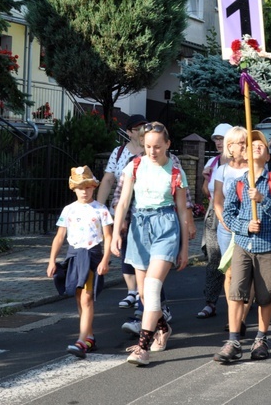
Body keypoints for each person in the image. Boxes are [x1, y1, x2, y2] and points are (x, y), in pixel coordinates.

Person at [111, 122, 189, 366]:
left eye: (157, 146)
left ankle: (142, 348)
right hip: (139, 226)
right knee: (144, 293)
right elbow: (123, 203)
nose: (152, 151)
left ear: (167, 144)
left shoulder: (176, 172)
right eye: (147, 146)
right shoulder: (134, 166)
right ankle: (162, 327)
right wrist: (115, 233)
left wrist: (185, 248)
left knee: (153, 288)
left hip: (166, 225)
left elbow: (183, 212)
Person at [214, 130, 271, 363]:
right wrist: (246, 226)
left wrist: (263, 200)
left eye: (262, 146)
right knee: (236, 293)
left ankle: (261, 338)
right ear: (245, 154)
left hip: (268, 246)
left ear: (268, 156)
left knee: (265, 295)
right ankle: (234, 340)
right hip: (243, 245)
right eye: (252, 145)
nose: (256, 147)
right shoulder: (238, 183)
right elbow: (228, 214)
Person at [47, 166, 113, 358]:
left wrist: (106, 259)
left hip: (91, 255)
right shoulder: (69, 210)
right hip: (74, 255)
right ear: (73, 189)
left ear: (94, 187)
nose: (84, 191)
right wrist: (52, 260)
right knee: (78, 297)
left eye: (88, 187)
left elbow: (108, 236)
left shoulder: (101, 209)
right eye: (80, 187)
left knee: (87, 297)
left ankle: (81, 340)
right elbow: (59, 237)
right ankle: (89, 336)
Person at [97, 114, 146, 310]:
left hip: (142, 209)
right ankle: (132, 291)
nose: (142, 131)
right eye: (137, 128)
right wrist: (98, 210)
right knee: (125, 249)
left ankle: (143, 293)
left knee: (141, 251)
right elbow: (108, 180)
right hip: (121, 207)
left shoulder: (151, 151)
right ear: (128, 132)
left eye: (145, 127)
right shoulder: (118, 153)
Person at [213, 126, 251, 334]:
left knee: (246, 274)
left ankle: (242, 316)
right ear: (230, 146)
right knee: (229, 273)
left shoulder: (253, 169)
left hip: (248, 227)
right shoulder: (223, 170)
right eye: (239, 143)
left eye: (245, 142)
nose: (243, 146)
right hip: (227, 227)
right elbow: (218, 199)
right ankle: (233, 314)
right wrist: (224, 220)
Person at [198, 123, 232, 319]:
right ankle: (210, 302)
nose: (218, 142)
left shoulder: (241, 162)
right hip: (213, 214)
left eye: (222, 138)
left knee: (237, 261)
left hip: (234, 213)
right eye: (216, 139)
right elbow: (207, 192)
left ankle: (238, 303)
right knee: (214, 259)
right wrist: (205, 179)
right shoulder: (212, 163)